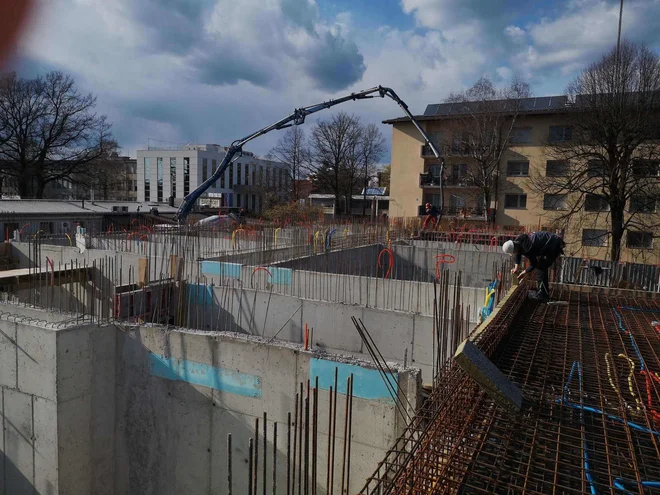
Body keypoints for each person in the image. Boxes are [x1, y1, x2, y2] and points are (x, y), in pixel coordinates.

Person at [502, 231, 566, 302]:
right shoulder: (518, 240)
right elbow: (518, 252)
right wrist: (516, 267)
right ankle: (542, 291)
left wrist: (524, 273)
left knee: (540, 267)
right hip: (551, 240)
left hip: (554, 245)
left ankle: (543, 295)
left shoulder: (528, 248)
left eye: (513, 252)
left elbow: (533, 264)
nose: (514, 253)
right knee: (541, 265)